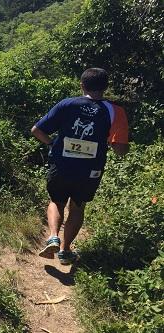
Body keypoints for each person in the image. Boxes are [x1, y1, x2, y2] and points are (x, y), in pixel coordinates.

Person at [31, 68, 129, 265]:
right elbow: (120, 149)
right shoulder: (115, 111)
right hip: (90, 170)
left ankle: (52, 237)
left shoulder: (68, 104)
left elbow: (37, 130)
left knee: (56, 201)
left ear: (82, 85)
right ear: (105, 87)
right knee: (77, 207)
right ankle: (65, 251)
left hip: (61, 164)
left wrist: (52, 145)